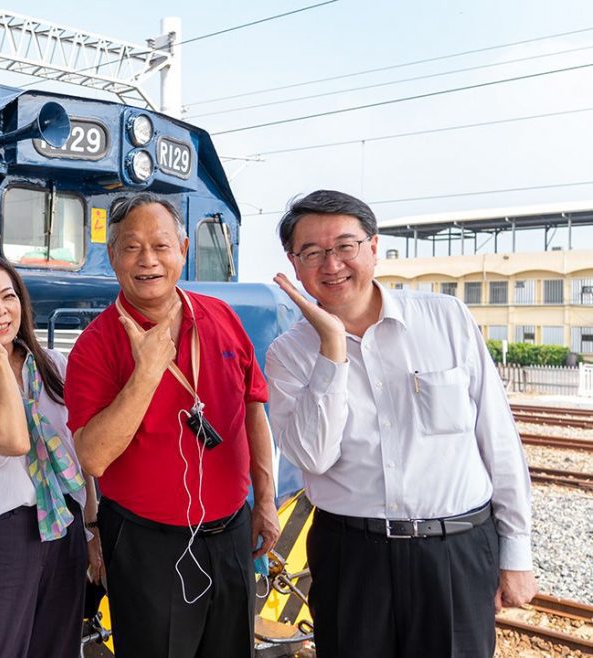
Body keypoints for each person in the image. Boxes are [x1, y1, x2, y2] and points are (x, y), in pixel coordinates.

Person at [265, 190, 536, 656]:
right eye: (312, 252)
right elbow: (314, 456)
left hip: (456, 550)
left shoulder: (445, 319)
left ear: (373, 247)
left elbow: (498, 438)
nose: (331, 264)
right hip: (353, 557)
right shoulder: (288, 354)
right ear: (293, 262)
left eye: (345, 246)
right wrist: (332, 350)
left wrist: (517, 552)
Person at [64, 193, 280, 658]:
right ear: (112, 256)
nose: (148, 260)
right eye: (131, 247)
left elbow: (253, 409)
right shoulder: (96, 346)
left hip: (230, 535)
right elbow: (93, 455)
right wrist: (145, 374)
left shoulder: (220, 317)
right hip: (147, 545)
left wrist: (265, 500)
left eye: (160, 246)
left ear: (182, 248)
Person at [0, 254, 101, 658]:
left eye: (8, 297)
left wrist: (93, 527)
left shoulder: (54, 366)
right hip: (2, 534)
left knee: (58, 647)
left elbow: (82, 449)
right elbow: (13, 441)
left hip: (64, 523)